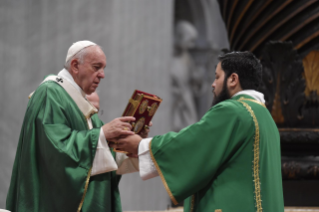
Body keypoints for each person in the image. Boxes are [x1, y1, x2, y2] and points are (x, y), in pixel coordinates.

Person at [110, 52, 284, 211]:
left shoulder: (233, 110)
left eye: (217, 77)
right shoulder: (264, 116)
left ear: (233, 79)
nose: (213, 84)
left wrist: (140, 145)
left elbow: (192, 144)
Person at [6, 41, 141, 212]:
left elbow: (102, 153)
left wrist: (132, 143)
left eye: (103, 68)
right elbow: (55, 149)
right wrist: (102, 134)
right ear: (75, 66)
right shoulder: (51, 93)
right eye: (96, 67)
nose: (102, 75)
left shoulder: (80, 102)